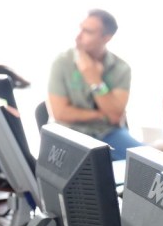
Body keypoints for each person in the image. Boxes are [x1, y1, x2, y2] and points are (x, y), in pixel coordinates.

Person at [46, 9, 142, 160]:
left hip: (108, 133)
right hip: (69, 134)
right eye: (80, 29)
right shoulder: (62, 62)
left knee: (150, 165)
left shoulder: (121, 68)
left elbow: (115, 116)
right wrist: (102, 115)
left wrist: (94, 78)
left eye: (88, 32)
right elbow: (59, 113)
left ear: (106, 38)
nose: (78, 36)